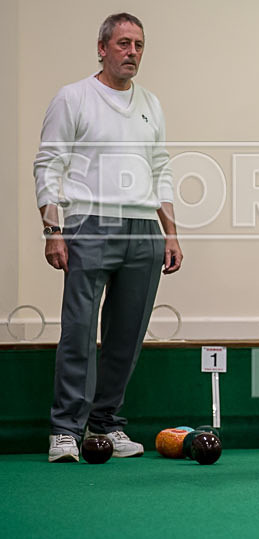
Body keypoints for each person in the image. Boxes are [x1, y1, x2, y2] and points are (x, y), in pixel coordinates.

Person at [34, 13, 182, 462]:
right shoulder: (73, 97)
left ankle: (106, 425)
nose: (131, 52)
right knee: (78, 330)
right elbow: (48, 165)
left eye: (138, 44)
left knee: (126, 334)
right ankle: (65, 430)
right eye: (122, 43)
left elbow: (161, 171)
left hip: (143, 230)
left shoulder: (150, 103)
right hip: (87, 223)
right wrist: (52, 229)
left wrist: (170, 234)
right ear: (102, 48)